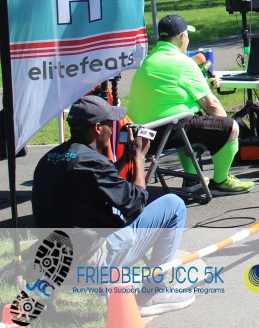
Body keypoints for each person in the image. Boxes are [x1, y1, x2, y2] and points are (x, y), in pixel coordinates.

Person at [32, 95, 195, 317]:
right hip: (89, 261)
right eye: (111, 124)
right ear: (98, 128)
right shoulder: (93, 163)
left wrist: (125, 160)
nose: (113, 129)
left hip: (53, 260)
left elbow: (96, 185)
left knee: (109, 213)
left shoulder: (50, 158)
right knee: (173, 205)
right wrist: (139, 158)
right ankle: (152, 293)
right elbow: (136, 204)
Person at [128, 14, 253, 195]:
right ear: (182, 37)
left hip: (142, 136)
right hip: (166, 133)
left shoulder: (148, 61)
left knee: (190, 121)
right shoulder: (182, 62)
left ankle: (192, 178)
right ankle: (221, 181)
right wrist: (224, 132)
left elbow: (171, 95)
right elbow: (212, 104)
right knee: (230, 127)